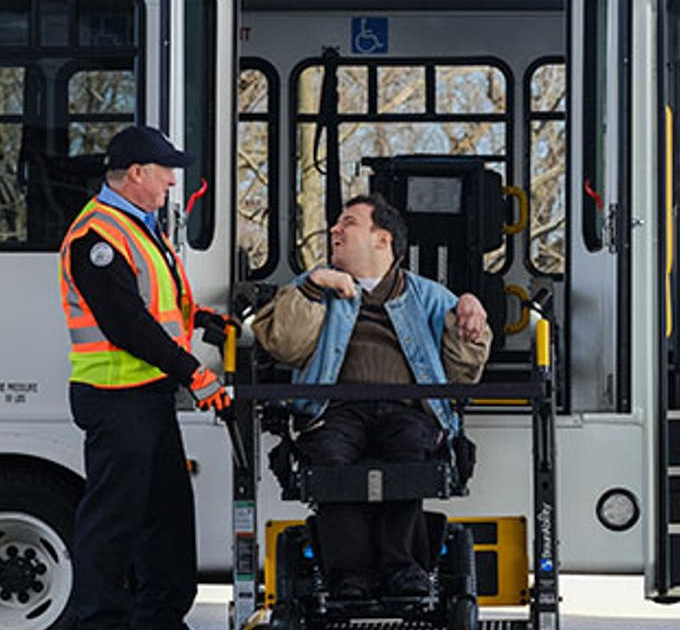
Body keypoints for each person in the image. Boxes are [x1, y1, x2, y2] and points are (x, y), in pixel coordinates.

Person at [252, 193, 491, 599]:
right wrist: (314, 286)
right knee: (328, 459)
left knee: (411, 453)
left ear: (383, 239)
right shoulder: (310, 288)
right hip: (334, 409)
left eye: (348, 223)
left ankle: (403, 568)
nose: (335, 230)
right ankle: (350, 575)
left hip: (407, 408)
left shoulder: (430, 296)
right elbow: (283, 345)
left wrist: (468, 311)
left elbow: (463, 374)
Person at [57, 125, 233, 630]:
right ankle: (100, 623)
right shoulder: (96, 237)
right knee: (114, 522)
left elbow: (153, 302)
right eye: (166, 172)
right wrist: (194, 372)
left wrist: (199, 319)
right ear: (136, 173)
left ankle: (161, 618)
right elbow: (125, 322)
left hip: (146, 397)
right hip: (115, 397)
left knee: (168, 519)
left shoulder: (135, 223)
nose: (172, 183)